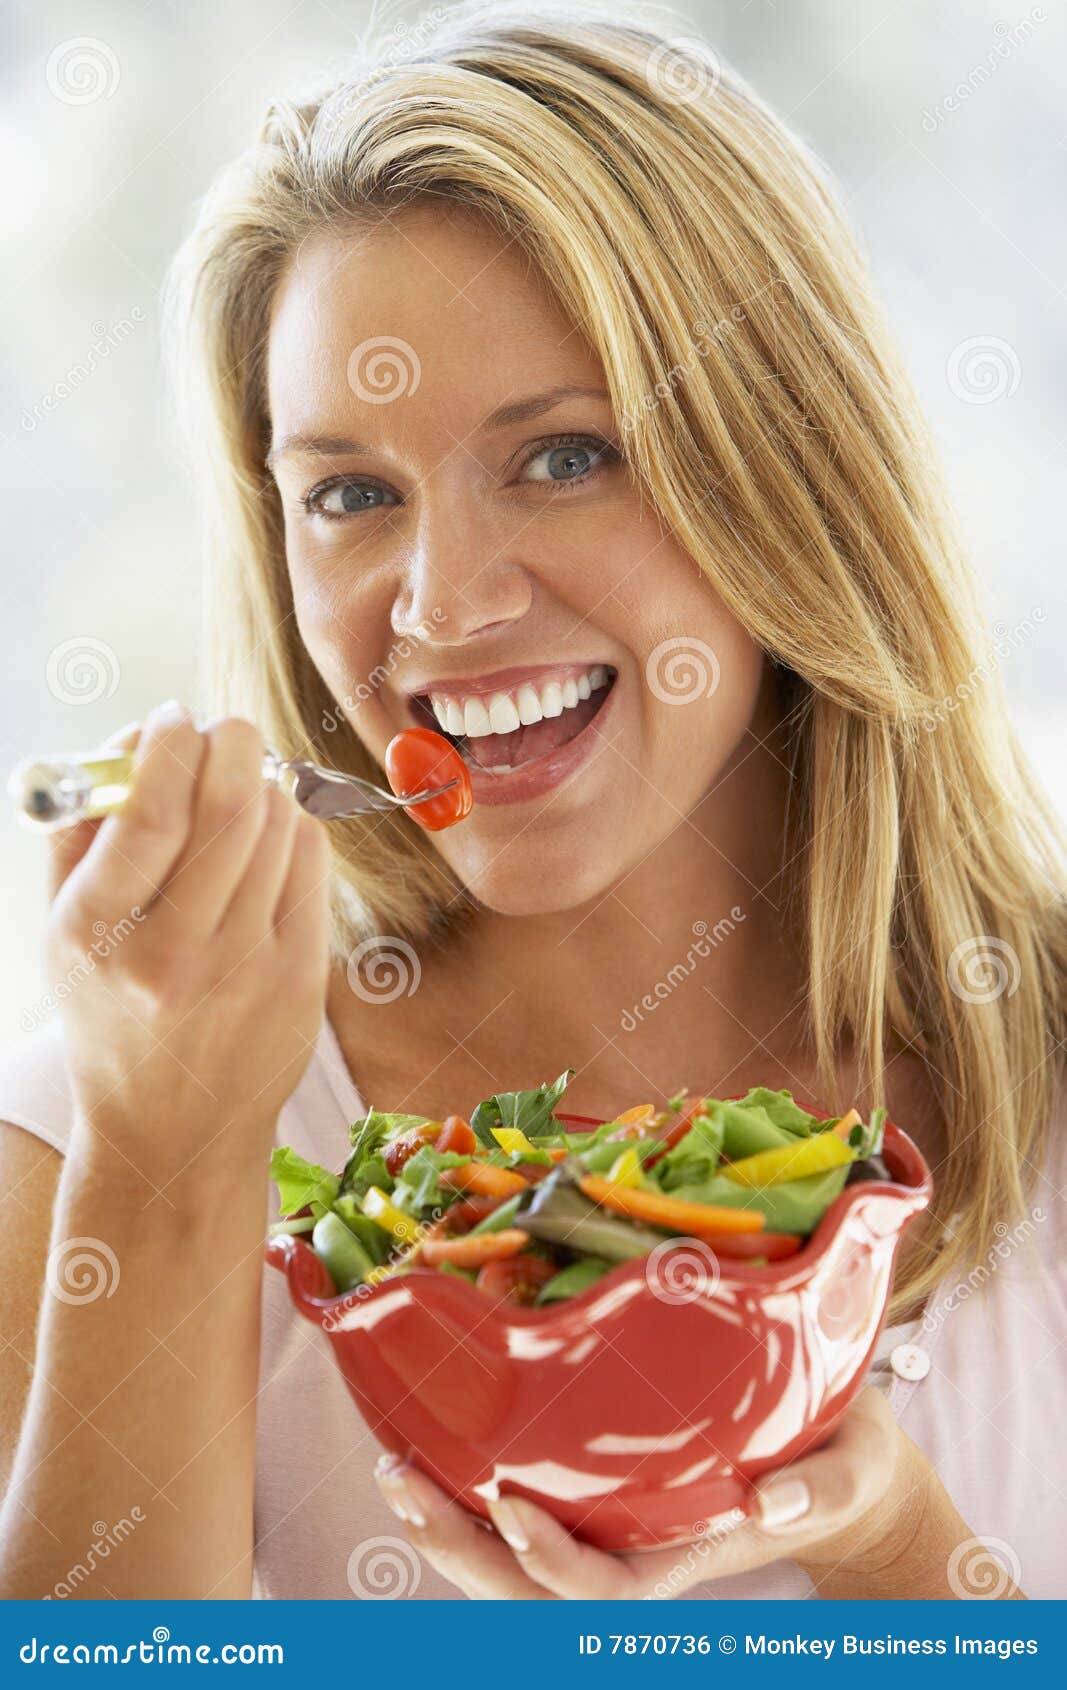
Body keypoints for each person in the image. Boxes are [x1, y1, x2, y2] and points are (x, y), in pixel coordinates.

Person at [1, 2, 1063, 1601]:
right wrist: (165, 1164)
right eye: (352, 493)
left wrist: (888, 1545)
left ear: (788, 469)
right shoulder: (87, 1143)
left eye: (562, 457)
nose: (441, 605)